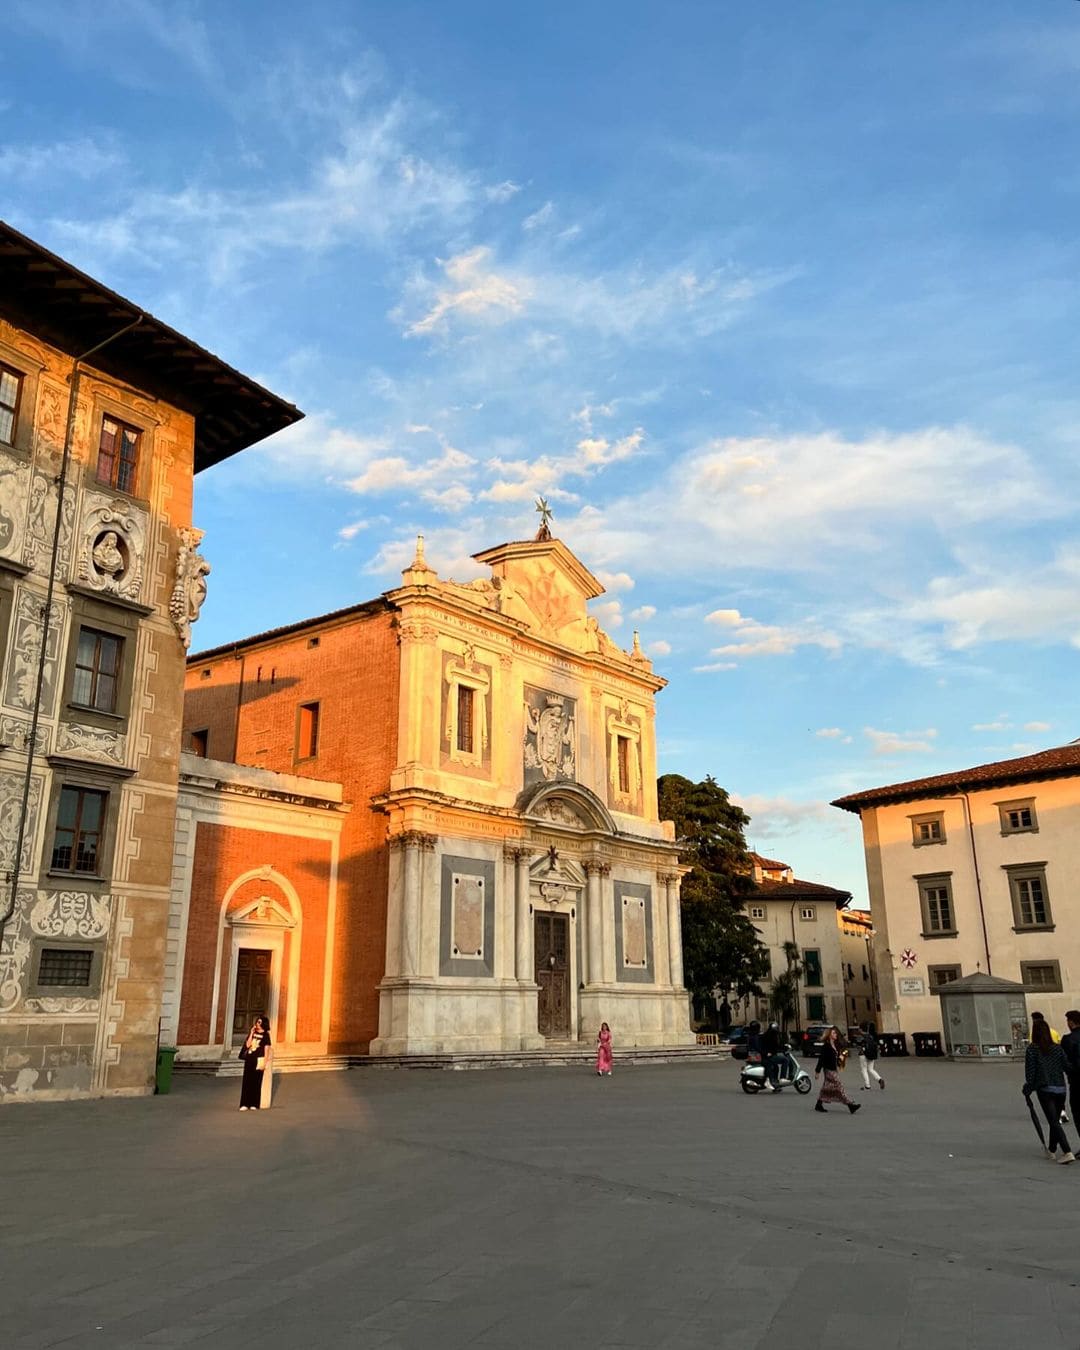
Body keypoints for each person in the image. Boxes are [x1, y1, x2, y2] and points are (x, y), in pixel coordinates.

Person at [1024, 1018, 1074, 1163]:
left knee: (1053, 1121)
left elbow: (1031, 1073)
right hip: (1060, 1088)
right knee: (1055, 1120)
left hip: (1045, 1089)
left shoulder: (1033, 1049)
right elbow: (1067, 1067)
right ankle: (1052, 1150)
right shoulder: (1057, 1048)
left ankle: (1067, 1150)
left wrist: (1028, 1088)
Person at [814, 1026, 860, 1115]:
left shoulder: (835, 1045)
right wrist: (817, 1071)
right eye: (834, 1033)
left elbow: (837, 1057)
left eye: (835, 1033)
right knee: (839, 1086)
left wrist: (840, 1062)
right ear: (829, 1036)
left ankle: (818, 1104)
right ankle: (850, 1105)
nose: (836, 1034)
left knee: (826, 1087)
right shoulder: (826, 1046)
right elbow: (821, 1059)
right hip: (828, 1070)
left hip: (833, 1069)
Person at [238, 1014, 272, 1110]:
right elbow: (248, 1044)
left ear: (264, 1024)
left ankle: (254, 1104)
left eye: (259, 1022)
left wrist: (265, 1062)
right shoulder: (252, 1033)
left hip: (258, 1060)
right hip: (249, 1059)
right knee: (246, 1082)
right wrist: (251, 1033)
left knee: (256, 1083)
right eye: (257, 1021)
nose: (257, 1024)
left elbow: (267, 1049)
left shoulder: (266, 1035)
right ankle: (244, 1104)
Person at [1062, 1011, 1080, 1124]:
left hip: (1076, 1081)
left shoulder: (1068, 1039)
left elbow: (1064, 1061)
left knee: (1078, 1112)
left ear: (1071, 1022)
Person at [858, 1022, 885, 1091]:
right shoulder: (870, 1036)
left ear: (861, 1029)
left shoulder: (861, 1036)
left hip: (863, 1054)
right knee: (871, 1069)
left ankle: (867, 1085)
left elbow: (859, 1044)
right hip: (871, 1054)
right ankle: (879, 1079)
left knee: (864, 1069)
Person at [762, 1021, 783, 1091]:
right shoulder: (770, 1036)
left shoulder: (769, 1035)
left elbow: (776, 1046)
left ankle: (775, 1083)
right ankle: (773, 1082)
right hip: (768, 1056)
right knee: (775, 1066)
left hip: (769, 1054)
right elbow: (774, 1046)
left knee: (776, 1067)